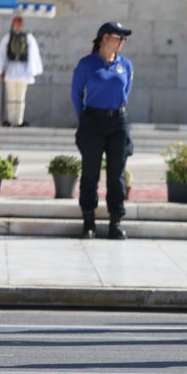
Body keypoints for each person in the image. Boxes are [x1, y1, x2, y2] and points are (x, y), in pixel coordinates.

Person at [70, 21, 134, 240]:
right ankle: (89, 221)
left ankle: (115, 221)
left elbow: (125, 91)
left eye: (124, 39)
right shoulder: (86, 64)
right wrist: (85, 120)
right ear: (105, 39)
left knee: (117, 174)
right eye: (119, 38)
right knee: (90, 173)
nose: (122, 42)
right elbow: (76, 95)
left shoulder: (125, 65)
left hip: (118, 121)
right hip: (93, 121)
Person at [0, 16, 43, 127]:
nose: (17, 26)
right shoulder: (8, 37)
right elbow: (1, 54)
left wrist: (32, 71)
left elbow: (33, 54)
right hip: (11, 70)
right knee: (11, 97)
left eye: (19, 24)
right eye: (16, 24)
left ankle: (18, 121)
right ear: (13, 25)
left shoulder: (28, 37)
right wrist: (1, 70)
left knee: (20, 98)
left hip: (23, 71)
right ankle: (11, 120)